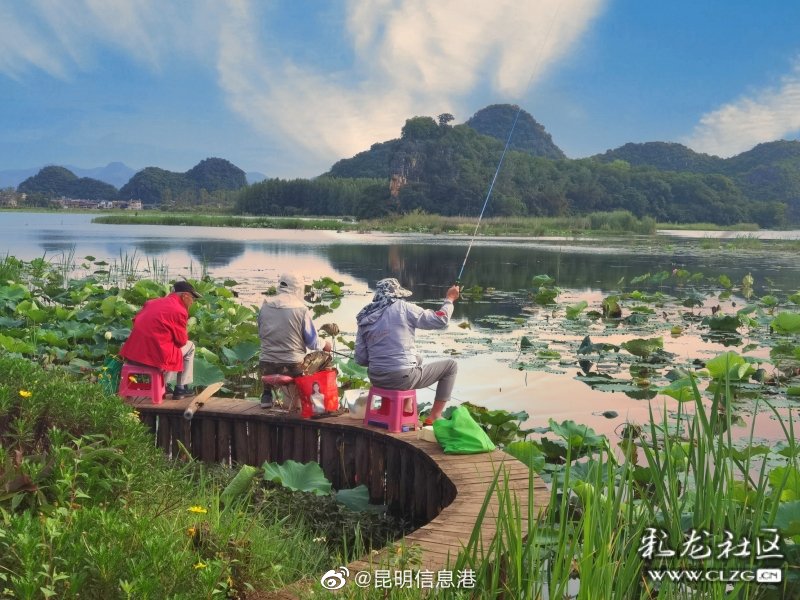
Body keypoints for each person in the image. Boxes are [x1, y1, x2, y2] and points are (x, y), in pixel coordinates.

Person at [355, 278, 460, 423]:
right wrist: (450, 298)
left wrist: (382, 359)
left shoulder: (364, 316)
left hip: (376, 377)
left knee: (417, 359)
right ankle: (434, 416)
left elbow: (361, 359)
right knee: (451, 366)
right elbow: (440, 320)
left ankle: (406, 408)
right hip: (401, 377)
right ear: (397, 294)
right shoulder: (403, 307)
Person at [258, 273, 331, 408]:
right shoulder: (301, 310)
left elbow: (261, 334)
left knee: (269, 358)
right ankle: (312, 400)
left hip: (265, 366)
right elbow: (313, 343)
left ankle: (266, 395)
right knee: (325, 356)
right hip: (293, 368)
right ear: (298, 288)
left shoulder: (265, 306)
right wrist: (326, 344)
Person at [120, 280, 199, 400]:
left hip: (133, 354)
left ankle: (165, 385)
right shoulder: (179, 310)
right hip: (155, 358)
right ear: (185, 296)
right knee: (190, 346)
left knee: (167, 347)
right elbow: (181, 341)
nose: (193, 302)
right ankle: (180, 388)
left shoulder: (151, 303)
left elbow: (135, 321)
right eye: (193, 298)